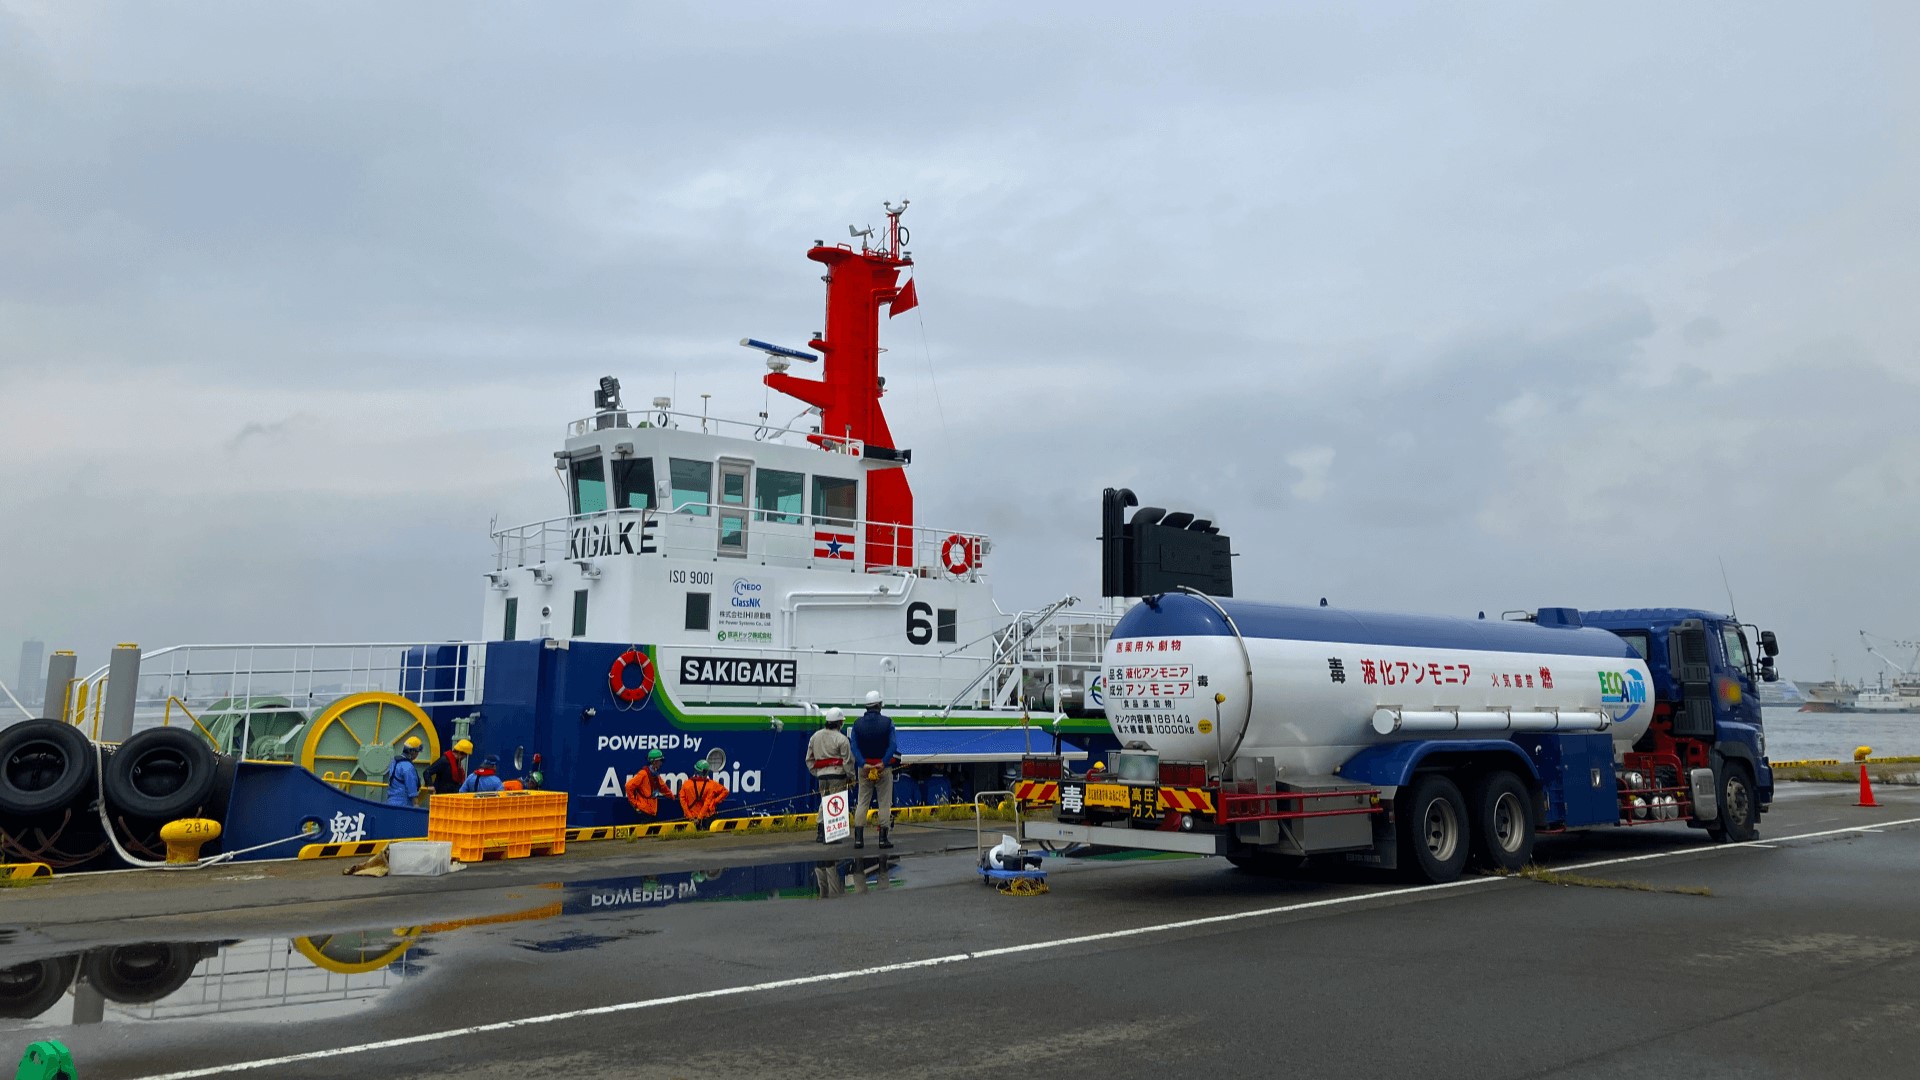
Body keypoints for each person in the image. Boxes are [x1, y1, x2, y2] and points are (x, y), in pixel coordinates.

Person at [850, 690, 900, 849]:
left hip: (864, 769)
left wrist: (863, 763)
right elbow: (893, 745)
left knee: (862, 802)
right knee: (884, 803)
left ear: (866, 706)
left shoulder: (857, 724)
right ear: (879, 705)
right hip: (882, 768)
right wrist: (884, 762)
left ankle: (858, 839)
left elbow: (854, 746)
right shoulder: (888, 722)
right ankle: (882, 839)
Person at [806, 708, 855, 842]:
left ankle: (820, 832)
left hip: (822, 775)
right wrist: (851, 777)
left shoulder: (815, 736)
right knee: (836, 803)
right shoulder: (842, 739)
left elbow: (809, 758)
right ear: (839, 722)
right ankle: (832, 836)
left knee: (824, 801)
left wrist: (816, 772)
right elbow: (847, 761)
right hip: (838, 776)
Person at [677, 760, 729, 830]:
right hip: (707, 818)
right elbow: (725, 792)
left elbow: (683, 801)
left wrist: (690, 816)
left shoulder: (686, 784)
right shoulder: (711, 785)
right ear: (706, 772)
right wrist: (714, 801)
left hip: (690, 818)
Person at [624, 749, 676, 818]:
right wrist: (635, 803)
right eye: (660, 761)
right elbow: (628, 786)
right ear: (654, 762)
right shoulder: (643, 774)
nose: (661, 763)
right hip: (643, 811)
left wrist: (672, 797)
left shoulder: (655, 775)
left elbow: (663, 787)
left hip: (652, 811)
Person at [385, 737, 423, 806]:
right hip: (403, 803)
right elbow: (412, 788)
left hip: (391, 801)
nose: (417, 755)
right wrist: (416, 804)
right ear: (413, 752)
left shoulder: (395, 761)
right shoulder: (408, 767)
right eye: (417, 752)